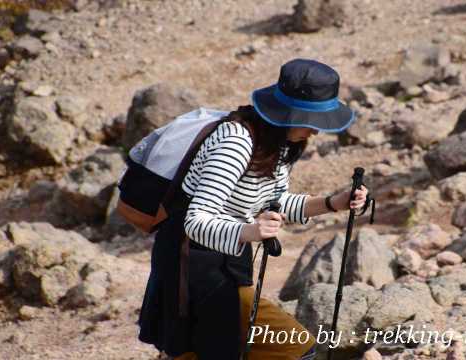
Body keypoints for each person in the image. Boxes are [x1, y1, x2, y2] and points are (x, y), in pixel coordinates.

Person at [137, 58, 369, 360]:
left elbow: (272, 200)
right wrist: (249, 230)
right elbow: (195, 220)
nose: (315, 132)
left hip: (228, 264)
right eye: (311, 121)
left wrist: (332, 203)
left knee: (289, 349)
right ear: (288, 113)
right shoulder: (235, 143)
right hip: (190, 266)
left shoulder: (276, 145)